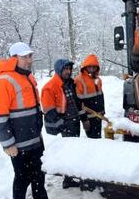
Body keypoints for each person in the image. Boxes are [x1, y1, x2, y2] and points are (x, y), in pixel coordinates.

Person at [0, 42, 48, 199]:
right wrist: (8, 144)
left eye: (30, 56)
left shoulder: (27, 76)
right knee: (22, 179)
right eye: (24, 57)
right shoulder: (4, 80)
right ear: (13, 58)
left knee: (39, 177)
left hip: (35, 140)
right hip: (19, 145)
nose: (29, 60)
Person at [40, 59, 88, 189]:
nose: (68, 71)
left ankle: (70, 177)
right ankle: (68, 180)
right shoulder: (50, 87)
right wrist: (62, 124)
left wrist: (83, 119)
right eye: (65, 69)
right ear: (59, 70)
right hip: (66, 124)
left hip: (75, 121)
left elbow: (77, 103)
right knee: (69, 152)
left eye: (69, 69)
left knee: (74, 150)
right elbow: (49, 111)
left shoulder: (70, 84)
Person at [74, 54, 105, 139]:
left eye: (94, 67)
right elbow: (78, 103)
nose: (92, 69)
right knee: (93, 142)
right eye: (89, 67)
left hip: (98, 116)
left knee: (98, 139)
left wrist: (103, 111)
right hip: (89, 118)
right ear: (85, 67)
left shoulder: (98, 79)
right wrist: (84, 120)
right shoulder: (79, 80)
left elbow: (101, 96)